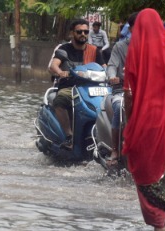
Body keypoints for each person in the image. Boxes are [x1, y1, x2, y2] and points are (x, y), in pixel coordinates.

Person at [122, 8, 165, 231]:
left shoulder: (136, 50)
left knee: (147, 175)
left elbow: (129, 93)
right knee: (164, 172)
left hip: (147, 122)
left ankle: (159, 230)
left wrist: (130, 122)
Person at [47, 19, 106, 149]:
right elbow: (54, 65)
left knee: (110, 104)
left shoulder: (94, 50)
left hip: (91, 88)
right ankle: (69, 136)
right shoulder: (64, 49)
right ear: (72, 33)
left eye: (85, 31)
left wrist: (110, 76)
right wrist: (61, 72)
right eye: (79, 32)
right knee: (60, 101)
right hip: (70, 87)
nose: (83, 34)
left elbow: (104, 68)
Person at [104, 12, 138, 163]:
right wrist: (112, 76)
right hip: (122, 89)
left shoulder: (153, 47)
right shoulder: (120, 46)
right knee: (119, 107)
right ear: (130, 29)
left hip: (145, 92)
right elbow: (112, 65)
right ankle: (115, 150)